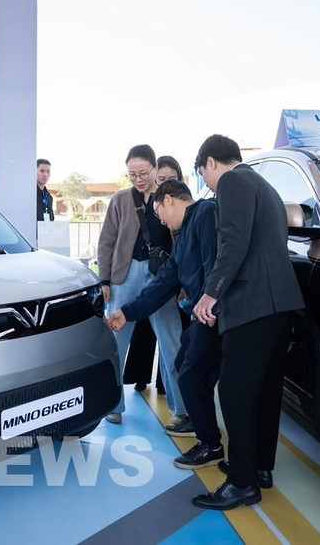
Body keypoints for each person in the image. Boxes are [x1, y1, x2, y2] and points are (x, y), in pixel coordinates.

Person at [191, 134, 304, 510]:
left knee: (235, 391)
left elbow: (234, 241)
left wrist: (211, 292)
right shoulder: (263, 184)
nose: (206, 183)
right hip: (279, 303)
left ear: (210, 162)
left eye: (202, 173)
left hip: (252, 303)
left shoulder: (233, 181)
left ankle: (241, 483)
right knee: (265, 390)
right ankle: (258, 467)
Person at [107, 179, 224, 470]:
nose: (159, 219)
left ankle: (210, 445)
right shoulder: (182, 237)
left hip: (215, 313)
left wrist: (212, 299)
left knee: (190, 374)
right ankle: (201, 426)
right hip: (205, 313)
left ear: (169, 199)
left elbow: (215, 262)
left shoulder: (206, 213)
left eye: (159, 211)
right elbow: (162, 283)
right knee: (186, 364)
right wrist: (127, 312)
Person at [97, 144, 183, 424]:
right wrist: (105, 279)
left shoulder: (169, 198)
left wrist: (182, 279)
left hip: (163, 275)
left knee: (172, 341)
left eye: (143, 172)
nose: (138, 179)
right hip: (126, 273)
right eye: (132, 174)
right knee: (116, 338)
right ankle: (113, 404)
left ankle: (180, 408)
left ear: (156, 168)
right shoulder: (120, 200)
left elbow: (180, 239)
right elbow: (107, 240)